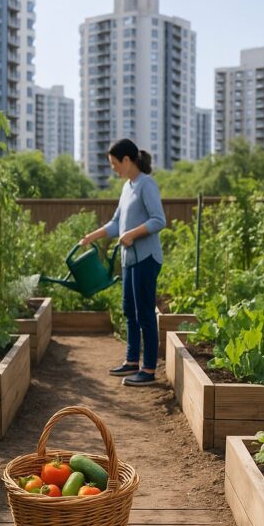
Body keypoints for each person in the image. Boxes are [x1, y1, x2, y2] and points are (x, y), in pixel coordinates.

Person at [80, 139, 166, 386]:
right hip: (130, 260)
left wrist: (132, 234)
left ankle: (148, 370)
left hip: (146, 259)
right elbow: (117, 223)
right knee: (130, 310)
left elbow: (159, 220)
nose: (113, 169)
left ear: (127, 160)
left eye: (114, 164)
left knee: (145, 314)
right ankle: (131, 361)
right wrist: (91, 236)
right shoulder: (128, 187)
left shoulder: (146, 185)